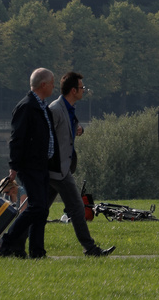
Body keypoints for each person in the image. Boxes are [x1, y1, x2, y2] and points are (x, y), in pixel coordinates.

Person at [47, 72, 113, 257]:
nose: (84, 90)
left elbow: (66, 130)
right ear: (73, 90)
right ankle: (90, 249)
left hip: (60, 168)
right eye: (82, 87)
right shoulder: (56, 109)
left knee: (38, 210)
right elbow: (47, 138)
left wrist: (79, 130)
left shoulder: (68, 108)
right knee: (77, 207)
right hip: (57, 169)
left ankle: (9, 241)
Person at [0, 68, 60, 258]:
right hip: (29, 165)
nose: (53, 86)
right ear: (43, 85)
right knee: (37, 207)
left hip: (42, 165)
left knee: (41, 211)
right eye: (51, 83)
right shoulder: (26, 106)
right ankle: (7, 242)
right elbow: (17, 138)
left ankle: (37, 251)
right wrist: (14, 166)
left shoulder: (42, 107)